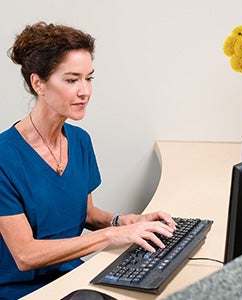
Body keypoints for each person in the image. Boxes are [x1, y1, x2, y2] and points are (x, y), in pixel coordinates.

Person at [0, 22, 176, 300]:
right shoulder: (4, 158)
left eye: (88, 78)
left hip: (74, 276)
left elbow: (85, 212)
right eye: (72, 80)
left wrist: (125, 221)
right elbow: (25, 255)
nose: (85, 91)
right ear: (38, 83)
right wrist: (110, 236)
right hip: (24, 291)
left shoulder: (79, 141)